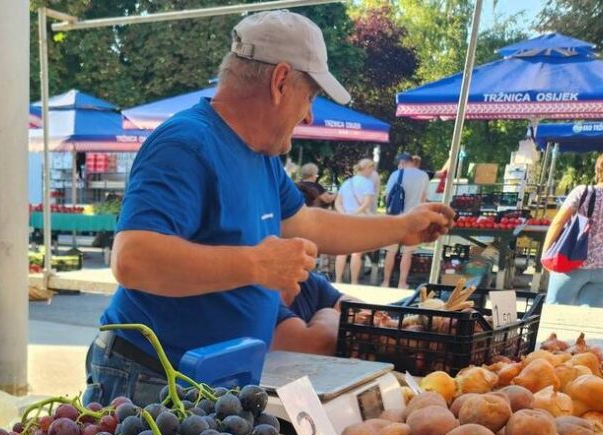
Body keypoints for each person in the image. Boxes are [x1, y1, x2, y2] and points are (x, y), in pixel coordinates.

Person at [82, 11, 454, 406]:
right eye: (309, 96)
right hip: (151, 378)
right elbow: (133, 259)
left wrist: (400, 227)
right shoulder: (185, 143)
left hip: (209, 383)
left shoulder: (261, 156)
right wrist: (258, 264)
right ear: (280, 82)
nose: (309, 114)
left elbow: (308, 223)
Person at [541, 150, 603, 306]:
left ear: (598, 169)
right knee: (588, 322)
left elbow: (558, 222)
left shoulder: (583, 192)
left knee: (555, 315)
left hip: (573, 263)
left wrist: (545, 253)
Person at [381, 153, 432, 289]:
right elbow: (423, 199)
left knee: (390, 252)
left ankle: (386, 282)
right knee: (407, 253)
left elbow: (387, 199)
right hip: (414, 219)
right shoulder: (423, 176)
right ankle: (402, 283)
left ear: (402, 163)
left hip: (395, 218)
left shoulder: (396, 174)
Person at [271, 271, 351, 355]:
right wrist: (330, 312)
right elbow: (317, 344)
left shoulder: (306, 278)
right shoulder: (261, 286)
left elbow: (343, 302)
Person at [333, 158, 377, 284]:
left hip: (345, 220)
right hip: (359, 221)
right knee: (356, 253)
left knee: (341, 252)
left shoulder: (347, 183)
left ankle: (338, 280)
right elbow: (367, 203)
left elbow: (338, 203)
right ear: (367, 168)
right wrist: (355, 213)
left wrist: (345, 214)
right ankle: (353, 281)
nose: (372, 171)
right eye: (371, 168)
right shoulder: (368, 184)